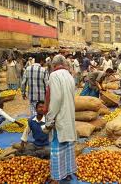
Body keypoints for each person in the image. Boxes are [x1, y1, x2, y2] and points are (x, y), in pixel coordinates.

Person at [43, 55, 77, 184]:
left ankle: (56, 177)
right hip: (69, 114)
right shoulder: (69, 76)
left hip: (60, 116)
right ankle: (67, 173)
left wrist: (50, 118)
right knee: (67, 145)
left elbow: (56, 99)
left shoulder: (54, 76)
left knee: (57, 147)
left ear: (54, 65)